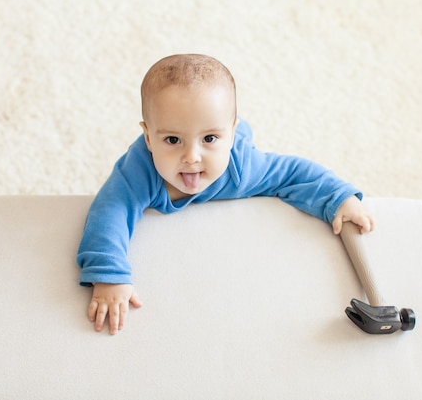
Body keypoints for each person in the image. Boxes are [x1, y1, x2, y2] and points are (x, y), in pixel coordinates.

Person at [77, 54, 375, 335]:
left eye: (209, 138)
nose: (191, 156)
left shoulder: (241, 168)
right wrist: (109, 275)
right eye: (172, 139)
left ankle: (203, 134)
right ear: (148, 138)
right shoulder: (138, 170)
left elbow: (292, 173)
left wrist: (339, 197)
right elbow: (109, 211)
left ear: (229, 135)